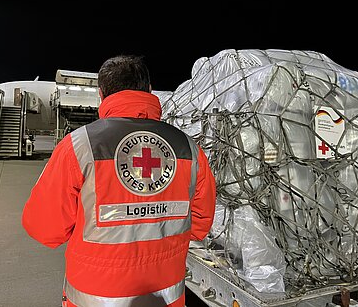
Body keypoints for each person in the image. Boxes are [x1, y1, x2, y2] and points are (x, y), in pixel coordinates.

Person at [22, 54, 216, 307]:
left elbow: (45, 228)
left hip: (94, 296)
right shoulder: (189, 149)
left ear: (101, 95)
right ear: (148, 89)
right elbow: (200, 226)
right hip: (165, 295)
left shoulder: (78, 146)